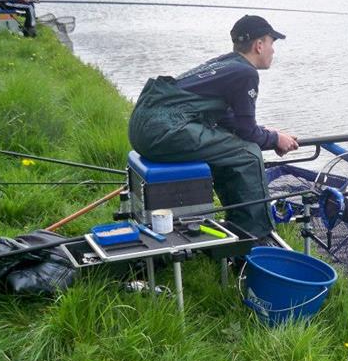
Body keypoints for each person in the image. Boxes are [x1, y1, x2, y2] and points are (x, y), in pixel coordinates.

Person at [128, 15, 299, 238]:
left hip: (143, 127)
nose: (273, 50)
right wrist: (275, 139)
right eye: (271, 42)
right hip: (164, 131)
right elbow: (247, 131)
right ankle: (256, 235)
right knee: (248, 154)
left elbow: (230, 120)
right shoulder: (246, 73)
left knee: (233, 145)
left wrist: (268, 133)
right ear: (259, 45)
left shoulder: (224, 64)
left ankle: (235, 224)